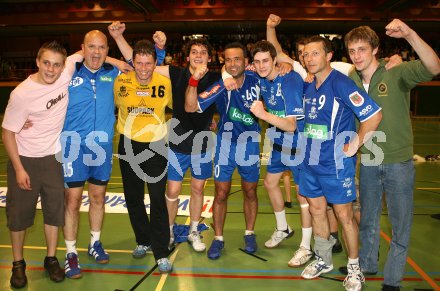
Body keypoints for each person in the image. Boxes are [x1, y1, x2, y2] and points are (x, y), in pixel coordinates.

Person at [108, 21, 221, 253]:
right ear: (187, 57)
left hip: (202, 143)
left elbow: (241, 75)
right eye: (194, 52)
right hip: (177, 143)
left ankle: (193, 230)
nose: (198, 55)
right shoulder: (175, 73)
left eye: (203, 52)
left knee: (199, 189)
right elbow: (141, 63)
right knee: (171, 191)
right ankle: (168, 230)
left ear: (209, 57)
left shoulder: (216, 78)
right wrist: (118, 43)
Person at [344, 19, 440, 290]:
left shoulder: (396, 71)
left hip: (398, 161)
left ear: (375, 49)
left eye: (362, 49)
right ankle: (367, 264)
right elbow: (319, 68)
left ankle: (393, 280)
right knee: (368, 220)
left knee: (400, 224)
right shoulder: (350, 77)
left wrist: (409, 34)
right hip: (369, 162)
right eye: (352, 51)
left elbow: (434, 66)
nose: (357, 56)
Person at [61, 29, 149, 279]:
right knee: (72, 201)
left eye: (102, 48)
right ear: (82, 48)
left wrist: (114, 61)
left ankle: (95, 242)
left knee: (98, 197)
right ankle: (70, 253)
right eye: (91, 47)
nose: (96, 52)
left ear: (107, 51)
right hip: (73, 146)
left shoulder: (114, 75)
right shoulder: (69, 73)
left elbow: (139, 67)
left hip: (101, 146)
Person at [299, 35, 382, 291]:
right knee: (316, 211)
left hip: (335, 164)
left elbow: (374, 115)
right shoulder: (308, 85)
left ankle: (355, 268)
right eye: (306, 54)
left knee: (344, 215)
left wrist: (355, 143)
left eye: (315, 53)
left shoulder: (341, 83)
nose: (309, 58)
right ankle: (323, 259)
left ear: (328, 56)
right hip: (309, 161)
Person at [2, 41, 82, 288]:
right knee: (19, 217)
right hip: (25, 160)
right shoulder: (21, 94)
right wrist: (19, 169)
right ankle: (18, 264)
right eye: (46, 63)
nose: (51, 69)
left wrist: (117, 61)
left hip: (52, 158)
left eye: (56, 65)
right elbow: (7, 133)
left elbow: (87, 50)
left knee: (53, 214)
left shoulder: (66, 71)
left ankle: (51, 258)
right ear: (37, 62)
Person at [266, 14, 344, 263]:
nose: (305, 57)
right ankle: (288, 229)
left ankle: (317, 242)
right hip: (286, 138)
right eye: (301, 53)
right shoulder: (297, 68)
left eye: (310, 53)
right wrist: (270, 27)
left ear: (324, 55)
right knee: (274, 184)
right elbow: (275, 50)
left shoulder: (331, 71)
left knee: (316, 199)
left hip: (306, 140)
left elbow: (359, 69)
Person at [185, 42, 261, 260]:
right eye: (228, 60)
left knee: (250, 191)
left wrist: (285, 66)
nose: (233, 63)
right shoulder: (221, 86)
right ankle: (218, 238)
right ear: (223, 63)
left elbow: (278, 67)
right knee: (220, 194)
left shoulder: (257, 80)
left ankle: (249, 233)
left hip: (250, 145)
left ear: (246, 62)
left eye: (238, 59)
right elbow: (191, 106)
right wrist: (193, 81)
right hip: (225, 146)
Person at [113, 39, 173, 273]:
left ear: (155, 63)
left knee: (158, 198)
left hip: (156, 144)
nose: (144, 69)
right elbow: (114, 105)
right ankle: (143, 240)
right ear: (133, 63)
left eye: (149, 63)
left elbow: (182, 105)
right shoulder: (120, 82)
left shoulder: (164, 83)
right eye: (139, 63)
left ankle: (161, 251)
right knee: (133, 196)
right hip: (128, 144)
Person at [245, 40, 304, 253]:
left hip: (298, 140)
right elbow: (231, 69)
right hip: (278, 139)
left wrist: (263, 115)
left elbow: (291, 125)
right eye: (257, 62)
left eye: (266, 61)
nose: (261, 66)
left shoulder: (288, 79)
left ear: (275, 60)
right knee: (270, 183)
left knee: (303, 195)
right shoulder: (258, 77)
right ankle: (283, 228)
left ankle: (306, 245)